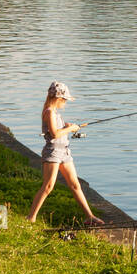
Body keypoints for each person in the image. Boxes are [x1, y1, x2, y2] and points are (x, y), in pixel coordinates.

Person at [27, 82, 103, 225]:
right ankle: (31, 217)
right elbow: (54, 134)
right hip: (53, 152)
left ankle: (90, 217)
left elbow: (56, 128)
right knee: (48, 186)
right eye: (65, 100)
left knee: (75, 185)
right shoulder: (49, 111)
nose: (66, 103)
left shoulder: (55, 113)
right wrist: (70, 129)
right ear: (58, 98)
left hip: (64, 151)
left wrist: (67, 125)